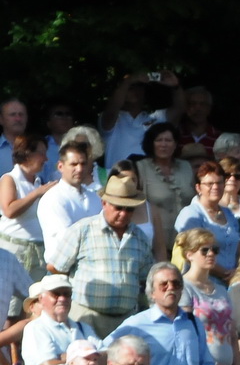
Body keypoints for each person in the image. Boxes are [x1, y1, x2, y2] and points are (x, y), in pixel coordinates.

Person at [45, 171, 154, 338]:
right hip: (86, 317)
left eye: (129, 209)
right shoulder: (82, 230)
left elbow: (145, 278)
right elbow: (55, 267)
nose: (123, 213)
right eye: (118, 207)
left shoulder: (140, 238)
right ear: (104, 203)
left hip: (126, 319)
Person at [174, 228, 238, 365]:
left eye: (214, 250)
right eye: (204, 250)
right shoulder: (184, 288)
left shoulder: (222, 290)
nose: (211, 254)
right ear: (189, 255)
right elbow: (187, 334)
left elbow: (232, 334)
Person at [36, 144, 106, 260]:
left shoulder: (94, 197)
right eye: (74, 164)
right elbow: (67, 239)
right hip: (63, 267)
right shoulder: (53, 198)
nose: (79, 169)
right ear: (60, 166)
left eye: (83, 164)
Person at [174, 162, 240, 278]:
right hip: (203, 280)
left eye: (219, 182)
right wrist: (225, 274)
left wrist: (239, 272)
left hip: (233, 279)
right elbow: (193, 252)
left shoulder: (229, 213)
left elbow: (238, 249)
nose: (215, 187)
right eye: (210, 184)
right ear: (198, 187)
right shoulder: (191, 214)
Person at [0, 132, 51, 278]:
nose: (46, 159)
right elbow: (9, 210)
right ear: (27, 154)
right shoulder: (10, 179)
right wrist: (37, 193)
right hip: (14, 249)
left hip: (38, 251)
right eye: (41, 153)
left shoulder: (38, 181)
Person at [20, 274, 93, 365]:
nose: (62, 299)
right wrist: (88, 356)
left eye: (67, 294)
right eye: (55, 294)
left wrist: (66, 357)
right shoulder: (35, 328)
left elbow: (107, 358)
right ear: (41, 298)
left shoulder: (83, 327)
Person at [134, 121, 196, 223]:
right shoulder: (141, 168)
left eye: (168, 140)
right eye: (159, 140)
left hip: (189, 229)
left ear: (175, 144)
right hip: (156, 229)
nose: (163, 144)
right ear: (151, 143)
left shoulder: (186, 166)